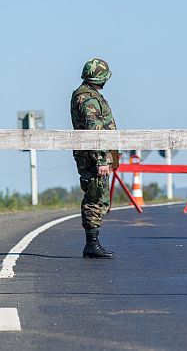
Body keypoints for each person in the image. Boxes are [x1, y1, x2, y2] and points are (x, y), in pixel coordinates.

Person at [70, 58, 118, 259]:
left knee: (97, 195)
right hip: (93, 156)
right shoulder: (89, 99)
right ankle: (92, 244)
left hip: (90, 154)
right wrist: (101, 160)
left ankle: (93, 242)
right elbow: (94, 130)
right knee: (95, 196)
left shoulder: (84, 94)